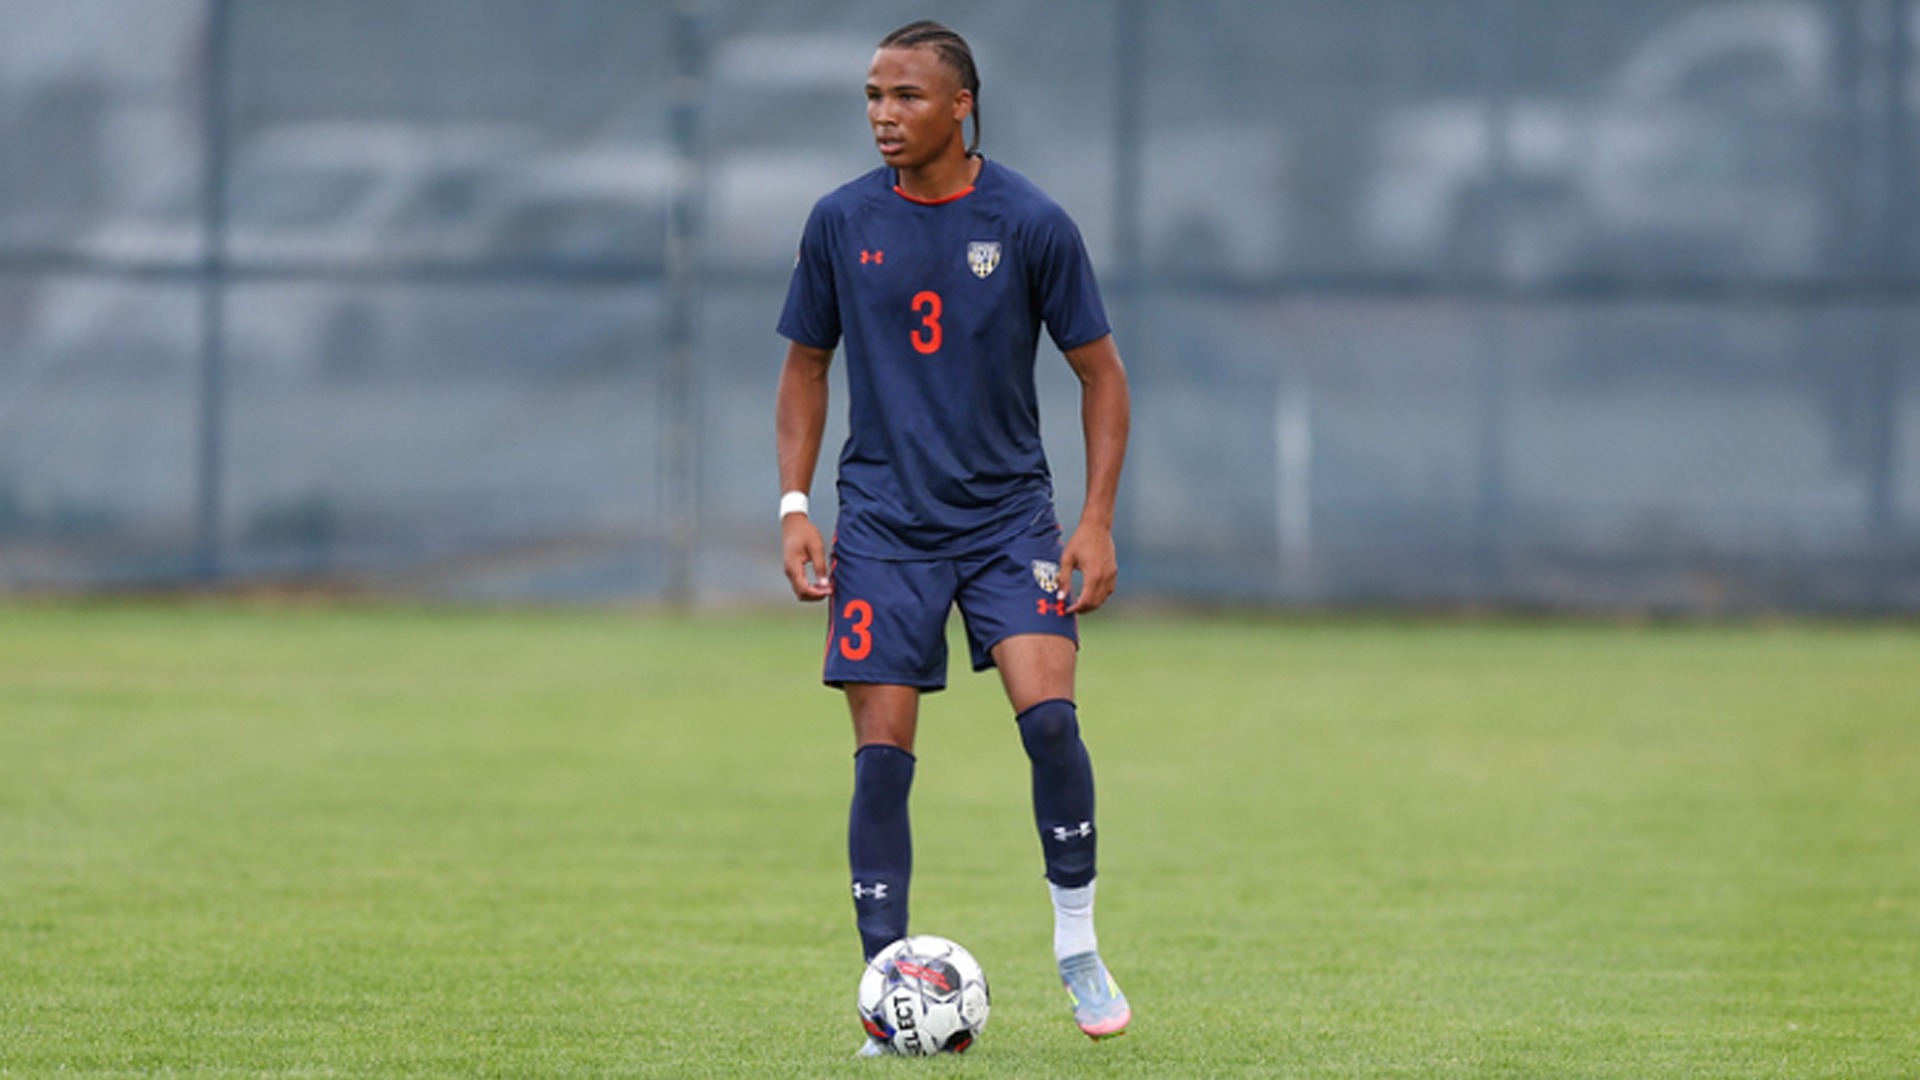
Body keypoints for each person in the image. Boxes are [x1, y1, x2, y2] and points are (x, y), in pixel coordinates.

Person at [773, 20, 1133, 1050]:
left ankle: (1076, 945)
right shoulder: (840, 221)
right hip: (882, 525)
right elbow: (804, 366)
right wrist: (796, 508)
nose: (886, 115)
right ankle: (887, 1003)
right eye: (875, 97)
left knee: (1051, 721)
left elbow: (1102, 376)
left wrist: (1095, 521)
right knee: (880, 760)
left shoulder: (1030, 222)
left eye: (908, 97)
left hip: (1008, 517)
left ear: (962, 104)